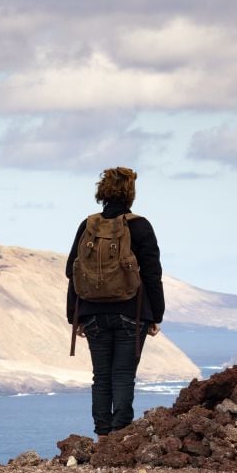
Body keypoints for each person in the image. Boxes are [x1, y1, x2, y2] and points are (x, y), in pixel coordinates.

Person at [66, 167, 165, 439]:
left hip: (92, 313)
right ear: (131, 194)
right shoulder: (140, 226)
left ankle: (102, 437)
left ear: (102, 192)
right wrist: (156, 315)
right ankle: (119, 437)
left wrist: (74, 316)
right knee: (123, 376)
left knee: (101, 378)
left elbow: (71, 271)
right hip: (131, 313)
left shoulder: (87, 226)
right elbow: (152, 273)